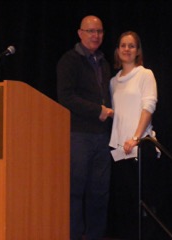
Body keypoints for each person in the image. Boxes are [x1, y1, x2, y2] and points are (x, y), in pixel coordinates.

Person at [56, 15, 113, 240]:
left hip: (102, 137)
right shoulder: (69, 60)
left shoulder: (105, 62)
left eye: (99, 31)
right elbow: (66, 97)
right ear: (80, 33)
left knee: (100, 193)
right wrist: (97, 110)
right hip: (77, 135)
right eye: (90, 31)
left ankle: (95, 237)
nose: (95, 35)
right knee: (75, 192)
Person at [108, 31, 159, 239]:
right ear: (118, 50)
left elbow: (149, 106)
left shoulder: (145, 74)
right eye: (123, 45)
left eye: (131, 46)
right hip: (119, 150)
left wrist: (136, 138)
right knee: (123, 206)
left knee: (142, 204)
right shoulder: (113, 81)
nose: (126, 49)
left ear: (138, 51)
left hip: (139, 147)